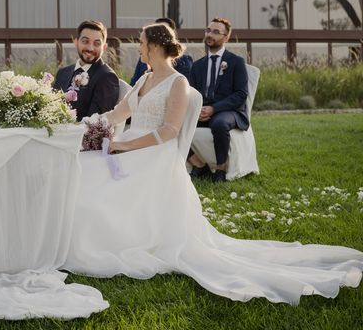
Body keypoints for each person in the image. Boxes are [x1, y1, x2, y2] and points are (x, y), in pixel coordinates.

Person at [63, 22, 363, 304]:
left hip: (154, 154)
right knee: (87, 170)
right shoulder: (144, 77)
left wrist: (125, 145)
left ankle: (103, 240)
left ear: (154, 45)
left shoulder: (177, 82)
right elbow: (118, 113)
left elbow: (169, 131)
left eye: (141, 43)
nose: (138, 48)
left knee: (95, 187)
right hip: (129, 148)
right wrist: (86, 129)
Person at [187, 17, 248, 182]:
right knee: (175, 123)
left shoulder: (236, 62)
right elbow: (191, 93)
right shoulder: (197, 65)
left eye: (215, 32)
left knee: (219, 124)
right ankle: (198, 164)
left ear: (226, 37)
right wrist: (197, 110)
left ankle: (221, 168)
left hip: (229, 111)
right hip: (202, 110)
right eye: (208, 30)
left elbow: (241, 95)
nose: (210, 34)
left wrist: (214, 109)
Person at [53, 20, 119, 122]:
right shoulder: (62, 73)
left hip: (77, 136)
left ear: (104, 47)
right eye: (85, 41)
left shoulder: (107, 77)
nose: (90, 48)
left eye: (97, 43)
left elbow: (94, 124)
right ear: (76, 42)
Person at [130, 17, 192, 85]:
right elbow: (133, 84)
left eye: (163, 31)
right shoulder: (144, 76)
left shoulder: (179, 78)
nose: (139, 49)